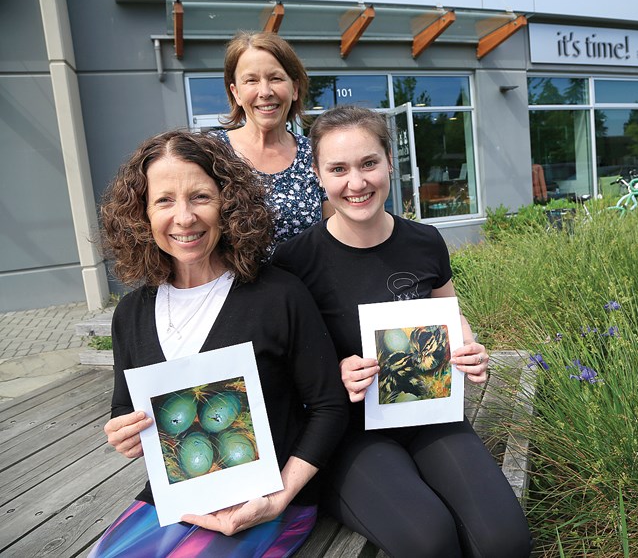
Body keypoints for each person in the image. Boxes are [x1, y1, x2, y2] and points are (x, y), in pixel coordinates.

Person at [272, 105, 532, 558]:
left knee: (505, 542)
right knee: (429, 541)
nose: (357, 183)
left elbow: (449, 315)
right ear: (316, 173)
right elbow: (284, 368)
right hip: (347, 433)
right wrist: (336, 372)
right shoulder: (295, 262)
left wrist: (468, 348)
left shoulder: (424, 240)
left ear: (390, 161)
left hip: (428, 416)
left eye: (369, 163)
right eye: (338, 169)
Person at [90, 130, 347, 557]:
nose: (185, 217)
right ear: (142, 214)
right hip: (179, 503)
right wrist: (124, 432)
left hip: (271, 501)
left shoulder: (278, 295)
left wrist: (281, 496)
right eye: (164, 200)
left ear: (228, 203)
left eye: (200, 197)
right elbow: (125, 406)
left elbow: (329, 407)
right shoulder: (131, 313)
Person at [212, 31, 332, 245]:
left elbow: (334, 236)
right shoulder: (212, 154)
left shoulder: (315, 155)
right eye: (251, 80)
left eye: (275, 78)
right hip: (237, 279)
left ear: (294, 89)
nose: (265, 91)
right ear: (236, 92)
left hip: (305, 278)